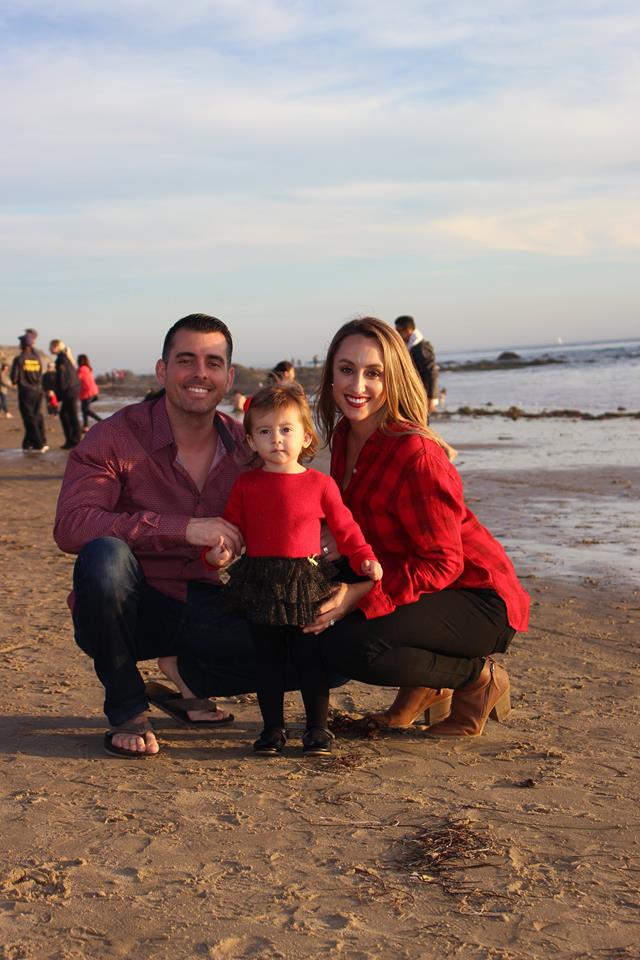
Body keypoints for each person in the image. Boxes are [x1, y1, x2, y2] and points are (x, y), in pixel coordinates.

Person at [54, 314, 345, 760]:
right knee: (104, 558)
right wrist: (184, 528)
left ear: (228, 377)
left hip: (206, 605)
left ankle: (187, 675)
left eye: (213, 363)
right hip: (128, 608)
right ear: (162, 370)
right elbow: (72, 524)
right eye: (186, 360)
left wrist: (326, 536)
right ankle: (128, 708)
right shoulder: (114, 437)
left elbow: (297, 497)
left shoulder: (247, 446)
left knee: (329, 655)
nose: (199, 373)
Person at [306, 317, 529, 738]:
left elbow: (443, 563)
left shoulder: (417, 453)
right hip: (419, 583)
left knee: (351, 647)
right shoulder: (345, 435)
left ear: (394, 379)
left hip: (476, 598)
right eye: (347, 369)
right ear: (331, 374)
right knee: (310, 608)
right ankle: (422, 691)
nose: (357, 385)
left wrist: (359, 594)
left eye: (374, 373)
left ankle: (478, 679)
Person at [204, 383, 382, 757]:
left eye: (286, 429)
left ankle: (317, 729)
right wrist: (219, 554)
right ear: (251, 441)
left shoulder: (320, 484)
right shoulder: (246, 485)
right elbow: (232, 531)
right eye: (265, 431)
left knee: (309, 657)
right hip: (260, 582)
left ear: (306, 437)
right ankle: (272, 730)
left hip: (305, 581)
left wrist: (364, 558)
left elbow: (346, 529)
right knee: (267, 660)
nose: (276, 439)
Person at [394, 315, 439, 415]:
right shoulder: (411, 347)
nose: (397, 334)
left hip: (421, 396)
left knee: (419, 422)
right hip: (414, 395)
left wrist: (432, 397)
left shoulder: (421, 348)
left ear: (407, 330)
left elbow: (432, 372)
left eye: (398, 330)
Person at [10, 333, 48, 452]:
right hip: (38, 391)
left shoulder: (19, 359)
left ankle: (38, 444)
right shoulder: (37, 358)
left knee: (29, 418)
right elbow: (41, 374)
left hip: (26, 392)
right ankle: (28, 444)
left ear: (22, 345)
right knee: (36, 416)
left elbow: (14, 378)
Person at [49, 340, 81, 449]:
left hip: (70, 391)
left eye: (50, 347)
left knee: (71, 415)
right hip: (71, 390)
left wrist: (59, 395)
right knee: (66, 415)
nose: (49, 349)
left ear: (56, 347)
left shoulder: (62, 359)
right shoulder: (63, 357)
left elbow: (63, 378)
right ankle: (71, 441)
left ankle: (75, 441)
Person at [77, 354, 103, 431]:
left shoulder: (81, 369)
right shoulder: (88, 368)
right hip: (90, 392)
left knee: (85, 409)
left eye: (78, 359)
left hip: (88, 392)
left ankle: (101, 421)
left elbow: (76, 379)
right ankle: (85, 427)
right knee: (84, 409)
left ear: (80, 361)